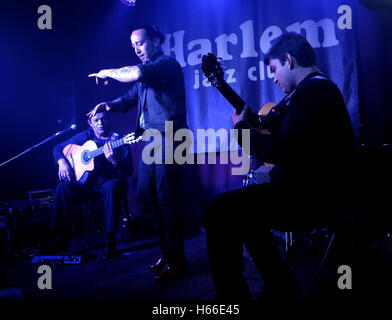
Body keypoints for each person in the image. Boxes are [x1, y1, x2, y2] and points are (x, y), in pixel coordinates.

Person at [203, 32, 358, 300]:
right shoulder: (311, 91)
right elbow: (268, 126)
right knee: (243, 213)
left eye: (274, 70)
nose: (274, 78)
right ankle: (280, 286)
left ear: (288, 60)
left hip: (312, 198)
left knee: (217, 210)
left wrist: (241, 129)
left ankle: (232, 299)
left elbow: (281, 151)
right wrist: (230, 98)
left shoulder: (313, 91)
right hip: (308, 192)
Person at [88, 25, 188, 280]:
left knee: (167, 197)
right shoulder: (145, 76)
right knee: (145, 194)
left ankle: (176, 260)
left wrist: (108, 72)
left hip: (173, 136)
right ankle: (167, 250)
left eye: (140, 43)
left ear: (155, 40)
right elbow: (130, 97)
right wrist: (108, 105)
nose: (136, 49)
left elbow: (136, 74)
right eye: (133, 45)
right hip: (153, 140)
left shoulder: (166, 64)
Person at [45, 110, 133, 258]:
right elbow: (57, 148)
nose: (100, 123)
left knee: (113, 186)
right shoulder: (86, 136)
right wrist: (62, 163)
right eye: (96, 120)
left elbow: (128, 172)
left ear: (109, 120)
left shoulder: (120, 140)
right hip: (87, 185)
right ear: (90, 124)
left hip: (109, 184)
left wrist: (114, 161)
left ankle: (110, 241)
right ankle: (59, 239)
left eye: (104, 119)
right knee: (63, 187)